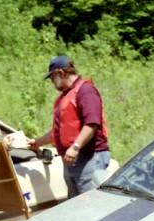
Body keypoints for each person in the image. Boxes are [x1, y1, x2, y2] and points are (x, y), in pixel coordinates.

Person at [28, 56, 111, 197]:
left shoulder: (85, 91)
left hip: (89, 158)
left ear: (61, 73)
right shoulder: (65, 97)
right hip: (72, 159)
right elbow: (57, 132)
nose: (52, 83)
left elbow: (92, 123)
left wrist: (75, 147)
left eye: (52, 78)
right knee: (75, 207)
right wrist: (36, 143)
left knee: (90, 205)